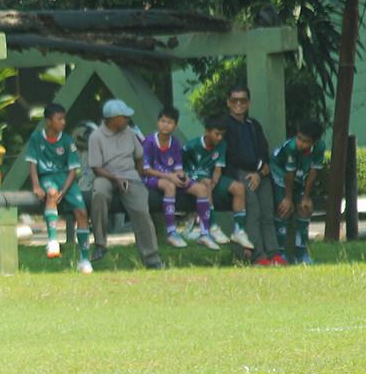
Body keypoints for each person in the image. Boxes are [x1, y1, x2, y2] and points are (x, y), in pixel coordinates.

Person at [88, 99, 162, 269]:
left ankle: (151, 258)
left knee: (141, 210)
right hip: (106, 176)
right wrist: (115, 179)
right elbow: (96, 167)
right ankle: (100, 243)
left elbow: (139, 155)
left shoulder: (129, 133)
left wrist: (135, 174)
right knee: (99, 193)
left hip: (129, 176)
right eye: (125, 117)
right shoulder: (96, 137)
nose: (128, 119)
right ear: (113, 119)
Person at [222, 85, 286, 266]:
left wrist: (260, 171)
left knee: (267, 211)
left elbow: (263, 150)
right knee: (253, 211)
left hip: (260, 175)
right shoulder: (225, 125)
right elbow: (232, 155)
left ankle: (274, 254)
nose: (239, 104)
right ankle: (258, 256)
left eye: (243, 100)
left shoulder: (253, 125)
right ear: (228, 103)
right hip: (238, 173)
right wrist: (258, 166)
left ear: (249, 102)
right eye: (234, 100)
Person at [26, 102, 93, 273]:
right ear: (48, 121)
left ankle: (84, 260)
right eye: (59, 119)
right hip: (47, 177)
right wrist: (36, 185)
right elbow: (32, 164)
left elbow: (73, 170)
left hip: (66, 180)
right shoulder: (36, 138)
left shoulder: (67, 140)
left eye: (64, 119)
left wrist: (66, 189)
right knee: (52, 193)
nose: (63, 122)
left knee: (82, 213)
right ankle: (52, 241)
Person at [141, 107, 219, 250]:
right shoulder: (149, 142)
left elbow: (177, 167)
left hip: (171, 178)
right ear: (158, 122)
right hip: (152, 179)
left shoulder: (175, 143)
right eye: (162, 121)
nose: (165, 125)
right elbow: (145, 170)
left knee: (201, 189)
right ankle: (171, 232)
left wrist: (183, 176)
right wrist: (169, 176)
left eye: (169, 122)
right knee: (169, 186)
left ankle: (204, 233)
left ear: (175, 126)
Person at [181, 115, 255, 251]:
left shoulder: (222, 144)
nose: (220, 138)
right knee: (206, 183)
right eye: (217, 134)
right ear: (206, 131)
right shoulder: (191, 146)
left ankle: (239, 231)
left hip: (211, 179)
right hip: (194, 178)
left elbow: (218, 169)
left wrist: (215, 182)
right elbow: (180, 167)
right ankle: (213, 227)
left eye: (222, 134)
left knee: (239, 187)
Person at [271, 120, 325, 264]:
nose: (300, 143)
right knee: (284, 209)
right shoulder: (291, 147)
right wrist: (288, 199)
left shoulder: (319, 148)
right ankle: (280, 255)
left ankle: (301, 256)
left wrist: (305, 197)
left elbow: (313, 173)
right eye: (299, 138)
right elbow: (289, 174)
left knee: (305, 208)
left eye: (305, 141)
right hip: (280, 174)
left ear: (314, 142)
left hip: (297, 178)